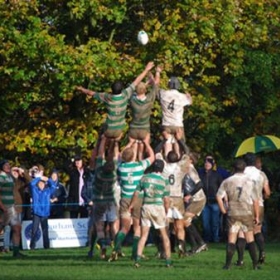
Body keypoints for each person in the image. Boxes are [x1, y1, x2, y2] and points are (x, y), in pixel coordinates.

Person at [77, 62, 155, 144]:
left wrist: (81, 89)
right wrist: (146, 69)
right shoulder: (125, 95)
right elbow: (136, 81)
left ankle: (100, 153)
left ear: (111, 89)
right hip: (119, 129)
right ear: (121, 89)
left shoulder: (108, 97)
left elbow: (91, 93)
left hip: (109, 128)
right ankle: (115, 153)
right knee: (115, 144)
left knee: (102, 140)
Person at [109, 134, 155, 261]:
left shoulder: (121, 167)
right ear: (134, 156)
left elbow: (119, 156)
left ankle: (116, 249)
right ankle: (135, 254)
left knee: (124, 227)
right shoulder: (139, 166)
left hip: (124, 198)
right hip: (138, 199)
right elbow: (152, 157)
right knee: (137, 227)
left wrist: (130, 143)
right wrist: (146, 143)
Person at [216, 158, 261, 270]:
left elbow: (219, 196)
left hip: (233, 212)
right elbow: (255, 201)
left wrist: (223, 210)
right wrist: (257, 216)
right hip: (246, 212)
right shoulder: (250, 181)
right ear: (244, 169)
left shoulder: (227, 181)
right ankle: (255, 264)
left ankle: (227, 265)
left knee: (232, 238)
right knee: (250, 238)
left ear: (233, 168)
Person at [130, 159, 171, 268]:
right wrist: (167, 211)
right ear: (162, 169)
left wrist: (131, 205)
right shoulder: (164, 180)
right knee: (164, 235)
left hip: (146, 206)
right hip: (158, 207)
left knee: (143, 236)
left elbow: (136, 193)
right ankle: (168, 262)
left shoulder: (144, 178)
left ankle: (137, 261)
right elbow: (166, 199)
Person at [156, 129, 190, 257]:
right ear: (178, 158)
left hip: (166, 198)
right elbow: (187, 152)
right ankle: (182, 246)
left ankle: (164, 250)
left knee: (164, 225)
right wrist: (179, 139)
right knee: (179, 225)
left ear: (167, 158)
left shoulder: (163, 166)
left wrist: (165, 140)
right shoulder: (181, 167)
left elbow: (156, 151)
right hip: (177, 198)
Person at [235, 153, 270, 266]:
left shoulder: (241, 173)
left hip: (244, 204)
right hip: (258, 204)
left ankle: (240, 260)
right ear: (255, 161)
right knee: (257, 230)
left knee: (241, 232)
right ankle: (262, 252)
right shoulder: (261, 174)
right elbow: (267, 192)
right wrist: (264, 197)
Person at [91, 135, 120, 260]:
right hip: (111, 202)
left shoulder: (98, 172)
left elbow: (100, 155)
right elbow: (115, 156)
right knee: (114, 226)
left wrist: (103, 140)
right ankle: (116, 248)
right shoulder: (113, 175)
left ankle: (103, 250)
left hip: (99, 202)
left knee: (99, 227)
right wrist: (115, 142)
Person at [125, 66, 162, 160]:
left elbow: (136, 91)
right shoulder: (149, 99)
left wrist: (145, 84)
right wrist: (157, 72)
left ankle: (131, 164)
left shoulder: (132, 99)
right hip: (144, 129)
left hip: (133, 128)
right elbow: (156, 86)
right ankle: (141, 164)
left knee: (133, 149)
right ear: (145, 90)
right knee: (141, 149)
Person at [157, 76, 192, 157]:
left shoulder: (163, 93)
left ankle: (167, 160)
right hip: (178, 124)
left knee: (167, 143)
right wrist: (189, 96)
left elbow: (156, 88)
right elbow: (190, 102)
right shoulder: (182, 96)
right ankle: (177, 160)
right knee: (178, 143)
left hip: (166, 124)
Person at [183, 152, 207, 254]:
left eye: (185, 158)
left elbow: (200, 184)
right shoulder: (185, 168)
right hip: (194, 199)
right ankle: (195, 246)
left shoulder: (191, 169)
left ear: (191, 161)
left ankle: (200, 243)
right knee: (186, 222)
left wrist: (190, 195)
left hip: (198, 199)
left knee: (185, 221)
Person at [0, 159, 25, 258]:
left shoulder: (9, 177)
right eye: (6, 165)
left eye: (8, 165)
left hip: (11, 207)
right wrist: (2, 206)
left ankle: (16, 252)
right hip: (4, 208)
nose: (8, 166)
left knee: (17, 228)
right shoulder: (1, 178)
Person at [198, 155, 223, 243]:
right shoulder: (201, 175)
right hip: (204, 202)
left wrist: (223, 200)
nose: (207, 164)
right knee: (205, 223)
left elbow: (222, 188)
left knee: (215, 222)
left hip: (215, 201)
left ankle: (215, 238)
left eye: (209, 163)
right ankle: (207, 238)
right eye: (205, 162)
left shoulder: (217, 175)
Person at [29, 175, 57, 250]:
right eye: (39, 183)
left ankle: (46, 246)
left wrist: (48, 179)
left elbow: (54, 186)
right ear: (37, 184)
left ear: (45, 184)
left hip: (45, 213)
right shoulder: (34, 190)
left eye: (43, 183)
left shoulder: (48, 191)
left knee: (45, 230)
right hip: (36, 213)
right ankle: (32, 246)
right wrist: (39, 178)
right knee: (34, 230)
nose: (41, 185)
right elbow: (31, 183)